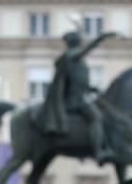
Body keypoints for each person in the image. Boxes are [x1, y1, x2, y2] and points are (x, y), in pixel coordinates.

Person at [38, 30, 117, 164]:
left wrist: (92, 88)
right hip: (75, 101)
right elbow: (87, 50)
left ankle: (104, 146)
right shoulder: (71, 56)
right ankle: (98, 151)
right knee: (96, 117)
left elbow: (78, 82)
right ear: (76, 43)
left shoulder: (75, 60)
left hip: (81, 97)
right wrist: (103, 37)